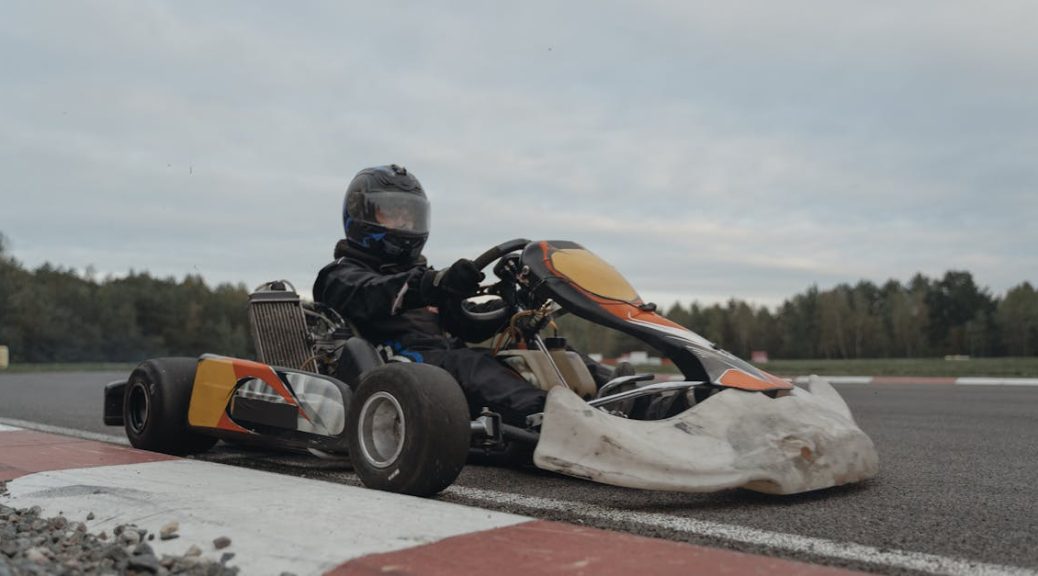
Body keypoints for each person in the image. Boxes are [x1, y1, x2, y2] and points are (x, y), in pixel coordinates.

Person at [313, 164, 550, 427]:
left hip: (442, 368)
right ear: (361, 215)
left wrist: (511, 309)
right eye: (392, 214)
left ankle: (596, 400)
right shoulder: (339, 276)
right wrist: (431, 284)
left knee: (545, 353)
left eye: (409, 215)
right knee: (468, 364)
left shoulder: (421, 278)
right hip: (395, 372)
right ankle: (547, 417)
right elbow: (377, 293)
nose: (404, 222)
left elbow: (465, 323)